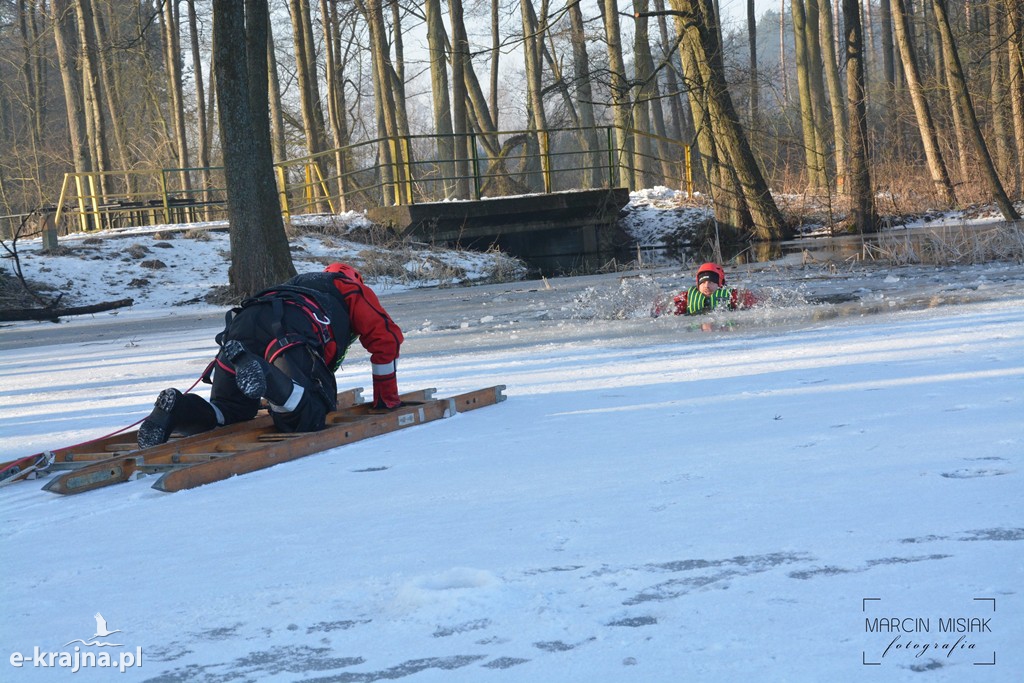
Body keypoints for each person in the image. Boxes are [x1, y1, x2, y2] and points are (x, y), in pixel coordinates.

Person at [137, 262, 404, 449]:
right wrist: (386, 399)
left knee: (230, 410)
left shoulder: (294, 284)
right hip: (287, 331)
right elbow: (386, 339)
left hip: (241, 326)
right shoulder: (351, 288)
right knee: (309, 415)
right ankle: (266, 373)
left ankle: (178, 409)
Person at [670, 262, 758, 316]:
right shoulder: (685, 298)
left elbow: (756, 307)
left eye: (711, 282)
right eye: (703, 283)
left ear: (720, 284)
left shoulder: (733, 296)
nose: (706, 286)